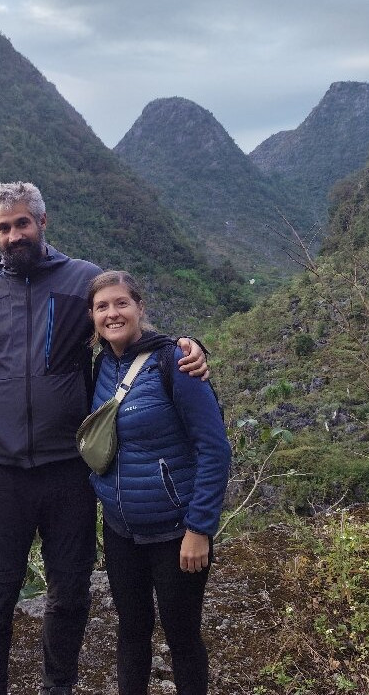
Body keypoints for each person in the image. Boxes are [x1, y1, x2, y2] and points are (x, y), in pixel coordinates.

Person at [0, 182, 209, 695]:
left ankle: (58, 688)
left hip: (69, 470)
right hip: (0, 471)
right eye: (3, 227)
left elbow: (124, 329)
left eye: (23, 223)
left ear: (43, 222)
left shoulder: (81, 279)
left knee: (69, 594)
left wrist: (189, 346)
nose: (14, 235)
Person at [86, 270, 231, 695]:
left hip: (175, 532)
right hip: (121, 530)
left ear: (139, 307)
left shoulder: (176, 363)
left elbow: (214, 449)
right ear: (92, 317)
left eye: (121, 303)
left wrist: (199, 529)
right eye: (102, 306)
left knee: (182, 635)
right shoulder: (101, 366)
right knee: (131, 631)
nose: (112, 313)